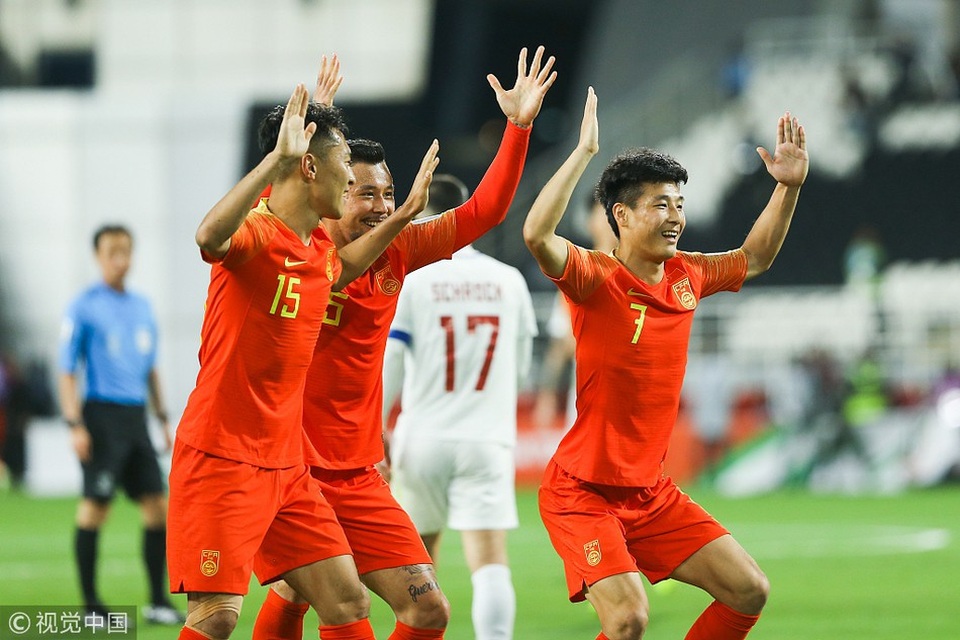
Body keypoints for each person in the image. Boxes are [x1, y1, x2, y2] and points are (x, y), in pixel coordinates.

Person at [252, 46, 556, 640]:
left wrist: (517, 128)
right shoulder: (293, 240)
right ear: (330, 187)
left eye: (388, 195)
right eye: (366, 194)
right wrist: (317, 130)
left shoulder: (400, 252)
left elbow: (486, 210)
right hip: (291, 470)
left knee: (428, 610)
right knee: (332, 604)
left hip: (360, 473)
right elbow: (284, 189)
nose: (383, 207)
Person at [522, 87, 808, 640]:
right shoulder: (595, 278)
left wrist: (785, 189)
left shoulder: (688, 276)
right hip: (582, 492)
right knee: (628, 619)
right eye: (661, 204)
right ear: (621, 216)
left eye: (679, 203)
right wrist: (582, 154)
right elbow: (536, 234)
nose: (675, 216)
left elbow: (756, 257)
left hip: (651, 493)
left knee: (749, 590)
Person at [166, 83, 440, 640]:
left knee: (345, 600)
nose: (352, 178)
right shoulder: (256, 232)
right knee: (216, 620)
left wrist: (402, 217)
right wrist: (276, 158)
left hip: (287, 467)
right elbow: (208, 236)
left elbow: (346, 268)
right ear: (310, 167)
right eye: (345, 164)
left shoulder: (317, 251)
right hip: (221, 456)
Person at [380, 174, 538, 640]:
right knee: (490, 562)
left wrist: (375, 430)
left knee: (417, 566)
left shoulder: (412, 276)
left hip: (423, 436)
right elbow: (521, 369)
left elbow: (390, 364)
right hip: (486, 438)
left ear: (423, 215)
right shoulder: (507, 281)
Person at [57, 224, 183, 624]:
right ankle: (91, 607)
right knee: (96, 507)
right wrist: (74, 423)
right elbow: (66, 370)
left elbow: (150, 371)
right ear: (98, 256)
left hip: (135, 418)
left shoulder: (142, 306)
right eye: (112, 251)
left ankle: (157, 601)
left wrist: (162, 417)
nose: (120, 259)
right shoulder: (83, 306)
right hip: (100, 416)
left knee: (157, 507)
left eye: (126, 251)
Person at [533, 193, 617, 434]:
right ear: (590, 222)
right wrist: (547, 395)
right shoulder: (577, 273)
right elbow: (562, 344)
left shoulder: (643, 271)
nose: (611, 220)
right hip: (588, 397)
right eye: (604, 213)